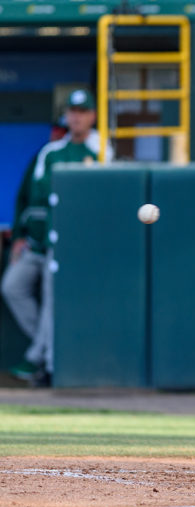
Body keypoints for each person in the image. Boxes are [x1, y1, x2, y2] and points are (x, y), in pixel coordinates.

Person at [1, 88, 112, 387]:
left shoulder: (101, 151)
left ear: (93, 115)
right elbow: (29, 197)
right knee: (12, 287)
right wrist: (19, 239)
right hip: (35, 243)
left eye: (82, 111)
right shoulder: (51, 152)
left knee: (53, 302)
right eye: (72, 112)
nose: (76, 117)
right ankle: (49, 349)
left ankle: (41, 360)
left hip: (66, 246)